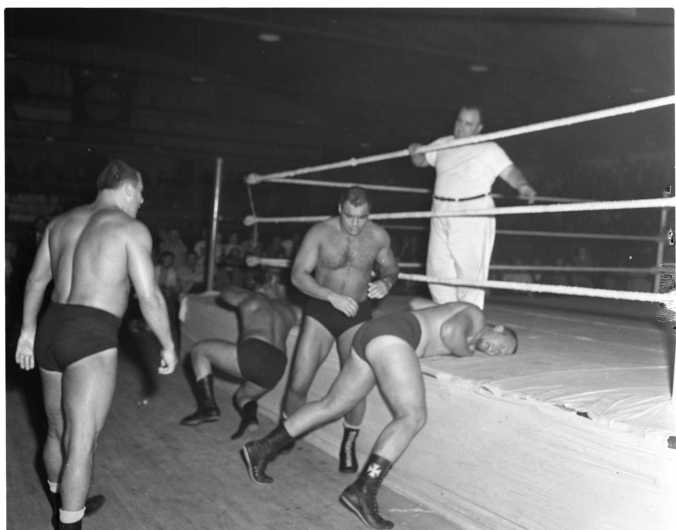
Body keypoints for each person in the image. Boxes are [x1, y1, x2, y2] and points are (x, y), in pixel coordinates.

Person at [242, 299, 518, 529]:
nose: (495, 351)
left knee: (332, 404)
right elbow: (450, 334)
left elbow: (417, 303)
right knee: (412, 416)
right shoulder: (477, 316)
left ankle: (262, 448)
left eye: (500, 355)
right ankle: (363, 490)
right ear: (499, 328)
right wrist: (467, 351)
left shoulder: (465, 315)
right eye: (502, 344)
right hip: (393, 337)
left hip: (373, 334)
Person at [14, 160, 177, 530]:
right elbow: (149, 296)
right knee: (82, 443)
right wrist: (167, 344)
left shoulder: (60, 223)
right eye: (140, 192)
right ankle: (69, 522)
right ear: (127, 188)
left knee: (56, 431)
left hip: (50, 328)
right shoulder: (129, 229)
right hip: (90, 333)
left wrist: (27, 332)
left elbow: (36, 280)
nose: (142, 200)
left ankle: (62, 504)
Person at [284, 186, 399, 473]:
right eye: (349, 216)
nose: (355, 224)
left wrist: (386, 283)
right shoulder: (320, 233)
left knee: (355, 387)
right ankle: (284, 437)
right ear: (339, 209)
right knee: (299, 383)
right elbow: (297, 275)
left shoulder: (378, 236)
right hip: (322, 310)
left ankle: (349, 443)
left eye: (362, 217)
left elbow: (391, 269)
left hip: (357, 314)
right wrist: (330, 296)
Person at [409, 105, 537, 309]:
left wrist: (523, 186)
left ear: (479, 129)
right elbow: (422, 161)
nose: (461, 127)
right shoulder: (443, 143)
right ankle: (446, 316)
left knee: (470, 273)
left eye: (468, 124)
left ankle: (470, 320)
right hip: (440, 210)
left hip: (472, 212)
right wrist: (415, 150)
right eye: (459, 121)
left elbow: (509, 171)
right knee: (438, 270)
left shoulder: (489, 148)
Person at [180, 275, 301, 439]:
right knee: (243, 396)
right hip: (277, 366)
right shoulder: (292, 310)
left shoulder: (252, 298)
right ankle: (250, 418)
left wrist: (245, 289)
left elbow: (225, 293)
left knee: (199, 351)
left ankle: (207, 407)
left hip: (255, 353)